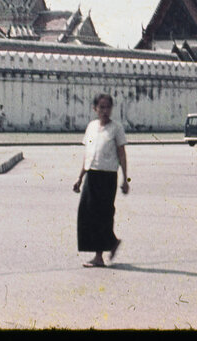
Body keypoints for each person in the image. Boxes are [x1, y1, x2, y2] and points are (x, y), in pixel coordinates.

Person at [73, 93, 129, 268]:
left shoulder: (116, 129)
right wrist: (80, 178)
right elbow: (88, 154)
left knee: (103, 215)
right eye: (101, 107)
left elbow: (122, 154)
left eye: (108, 107)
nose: (105, 111)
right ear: (95, 108)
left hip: (107, 176)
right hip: (92, 175)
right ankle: (111, 243)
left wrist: (125, 179)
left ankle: (99, 256)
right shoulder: (91, 127)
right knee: (86, 213)